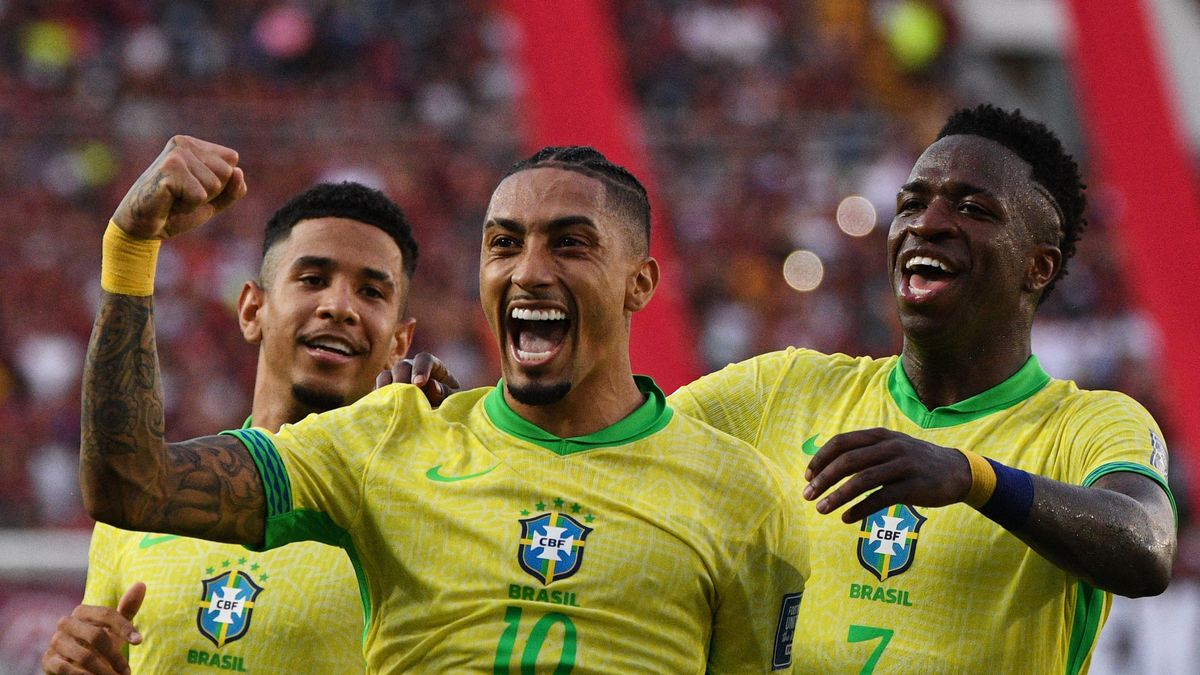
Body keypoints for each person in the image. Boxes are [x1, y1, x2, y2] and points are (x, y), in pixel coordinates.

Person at [76, 141, 808, 672]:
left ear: (640, 283)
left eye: (571, 245)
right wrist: (132, 248)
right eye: (504, 244)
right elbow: (130, 484)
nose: (529, 271)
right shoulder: (387, 440)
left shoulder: (741, 496)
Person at [669, 104, 1177, 673]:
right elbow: (625, 442)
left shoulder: (1088, 424)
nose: (926, 223)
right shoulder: (783, 388)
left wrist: (972, 477)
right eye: (910, 203)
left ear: (1038, 267)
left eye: (972, 208)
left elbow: (1148, 547)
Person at [44, 139, 445, 674]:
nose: (339, 306)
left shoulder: (421, 510)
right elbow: (103, 650)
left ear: (400, 342)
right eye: (313, 279)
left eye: (372, 292)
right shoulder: (140, 508)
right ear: (253, 308)